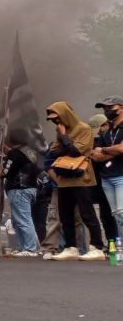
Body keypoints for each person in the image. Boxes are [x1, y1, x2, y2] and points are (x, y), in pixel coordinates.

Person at [46, 101, 105, 261]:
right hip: (64, 177)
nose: (55, 122)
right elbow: (53, 152)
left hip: (81, 177)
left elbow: (76, 151)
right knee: (65, 215)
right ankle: (70, 247)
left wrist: (64, 138)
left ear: (66, 115)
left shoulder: (84, 129)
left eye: (57, 118)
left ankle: (97, 247)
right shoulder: (60, 130)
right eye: (52, 120)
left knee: (88, 214)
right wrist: (64, 143)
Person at [1, 128, 40, 257]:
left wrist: (0, 172)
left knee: (22, 219)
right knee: (20, 219)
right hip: (31, 188)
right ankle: (23, 247)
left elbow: (6, 172)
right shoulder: (31, 152)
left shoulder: (15, 153)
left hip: (19, 188)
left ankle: (29, 249)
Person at [91, 96, 123, 239]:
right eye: (105, 108)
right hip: (107, 178)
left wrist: (104, 150)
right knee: (116, 215)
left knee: (122, 213)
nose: (107, 110)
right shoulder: (107, 132)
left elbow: (122, 149)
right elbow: (95, 156)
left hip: (121, 176)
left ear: (121, 107)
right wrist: (112, 151)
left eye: (111, 107)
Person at [87, 114, 119, 243]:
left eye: (101, 127)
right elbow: (95, 156)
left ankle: (114, 244)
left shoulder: (114, 136)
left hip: (113, 179)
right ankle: (112, 245)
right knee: (107, 216)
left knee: (115, 214)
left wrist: (104, 152)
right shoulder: (98, 140)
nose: (99, 131)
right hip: (101, 181)